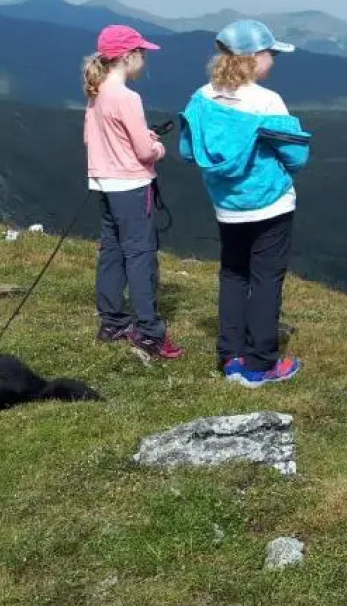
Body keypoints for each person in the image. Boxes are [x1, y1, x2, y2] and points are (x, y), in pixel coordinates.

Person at [180, 20, 311, 387]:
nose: (274, 60)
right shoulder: (267, 102)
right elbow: (297, 157)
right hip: (270, 204)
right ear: (253, 58)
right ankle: (261, 363)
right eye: (271, 53)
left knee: (233, 274)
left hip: (227, 205)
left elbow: (189, 151)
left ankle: (231, 356)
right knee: (266, 277)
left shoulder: (201, 98)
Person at [83, 25, 182, 360]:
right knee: (140, 254)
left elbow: (89, 139)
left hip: (103, 181)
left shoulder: (95, 92)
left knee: (111, 249)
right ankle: (149, 332)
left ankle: (112, 321)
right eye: (141, 54)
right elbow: (143, 151)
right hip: (132, 185)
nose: (144, 61)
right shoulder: (128, 97)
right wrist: (157, 147)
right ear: (126, 57)